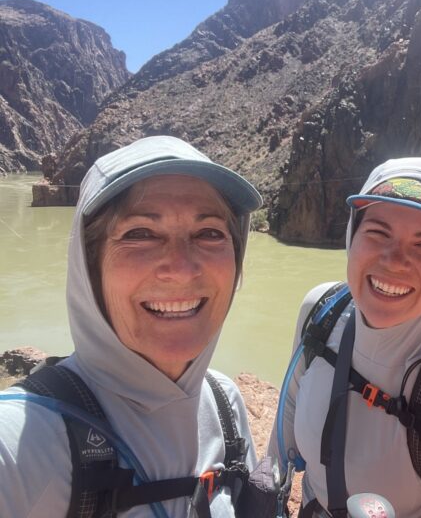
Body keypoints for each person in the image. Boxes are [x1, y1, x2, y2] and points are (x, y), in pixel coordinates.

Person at [0, 136, 265, 517]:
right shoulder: (21, 448)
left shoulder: (224, 406)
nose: (181, 268)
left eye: (209, 233)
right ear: (89, 266)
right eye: (140, 233)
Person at [269, 157, 421, 518]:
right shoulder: (321, 312)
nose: (394, 261)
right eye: (377, 233)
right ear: (352, 235)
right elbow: (283, 434)